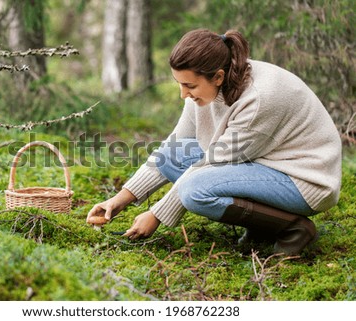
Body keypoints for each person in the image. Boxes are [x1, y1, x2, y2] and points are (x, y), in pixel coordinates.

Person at [86, 29, 342, 255]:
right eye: (179, 84)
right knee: (175, 154)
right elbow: (174, 145)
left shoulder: (260, 99)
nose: (183, 94)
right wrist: (120, 199)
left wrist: (156, 215)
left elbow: (213, 163)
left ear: (218, 77)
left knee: (195, 191)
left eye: (189, 86)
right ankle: (262, 228)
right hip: (261, 163)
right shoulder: (210, 84)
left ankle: (293, 228)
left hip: (304, 181)